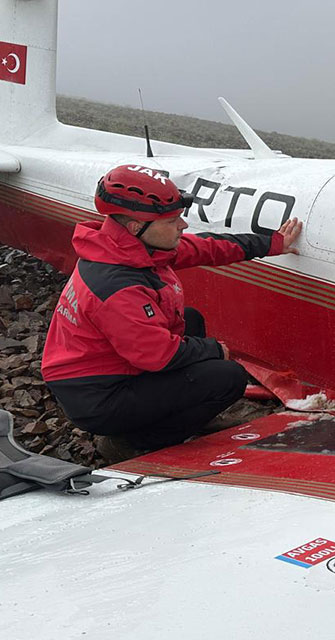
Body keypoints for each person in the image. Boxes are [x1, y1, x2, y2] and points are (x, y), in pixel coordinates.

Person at [42, 164, 302, 460]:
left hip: (103, 371)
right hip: (97, 396)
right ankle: (132, 444)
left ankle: (178, 415)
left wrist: (271, 243)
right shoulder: (117, 286)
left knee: (190, 319)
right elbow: (158, 355)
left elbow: (208, 247)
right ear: (135, 226)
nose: (183, 226)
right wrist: (214, 350)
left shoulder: (124, 247)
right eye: (172, 220)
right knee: (226, 377)